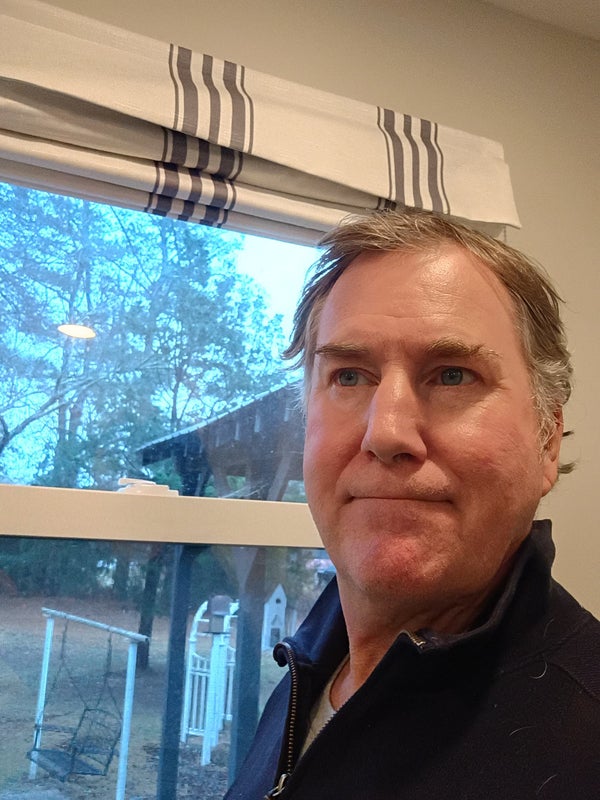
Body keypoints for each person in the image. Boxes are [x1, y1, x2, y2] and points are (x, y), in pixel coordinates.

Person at [224, 209, 600, 799]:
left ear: (547, 439)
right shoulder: (309, 667)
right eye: (349, 377)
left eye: (452, 375)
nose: (386, 433)